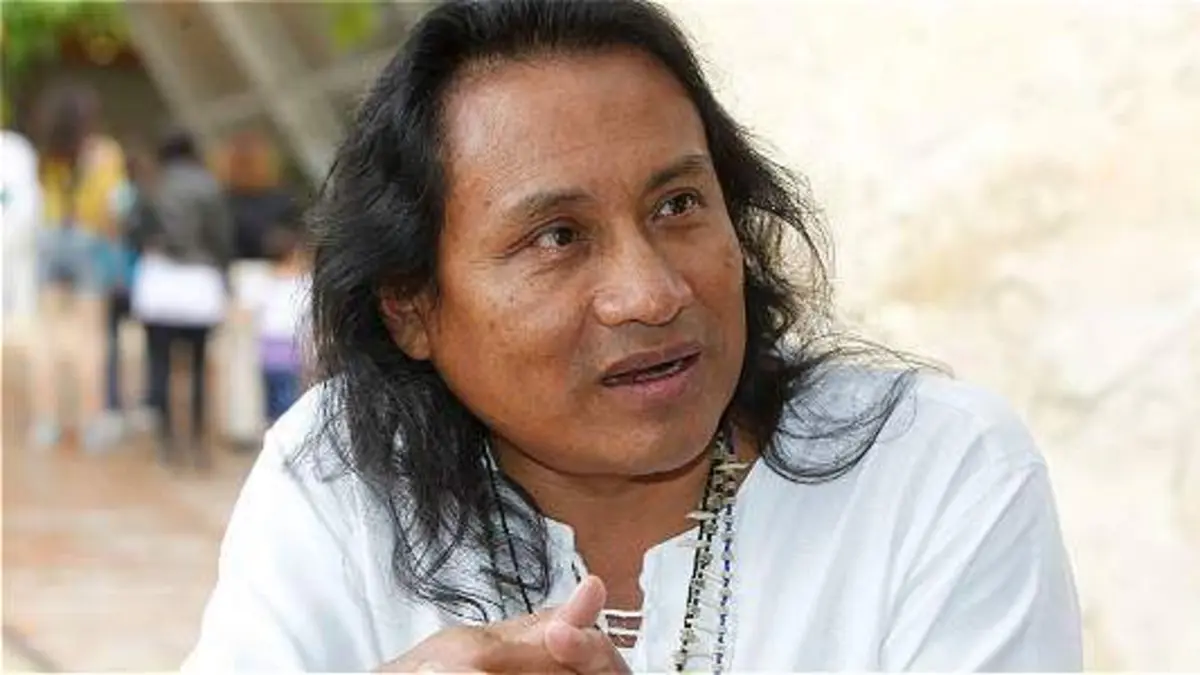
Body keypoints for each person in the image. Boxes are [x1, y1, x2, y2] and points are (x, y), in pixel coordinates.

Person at [184, 1, 1082, 672]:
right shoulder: (342, 472)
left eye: (678, 204)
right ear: (412, 305)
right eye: (557, 237)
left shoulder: (934, 471)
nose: (652, 294)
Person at [27, 83, 127, 452]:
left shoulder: (46, 154)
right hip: (89, 239)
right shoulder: (104, 153)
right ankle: (91, 424)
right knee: (91, 338)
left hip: (51, 237)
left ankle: (46, 423)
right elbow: (113, 208)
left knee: (46, 336)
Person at [130, 130, 233, 470]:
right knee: (199, 366)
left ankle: (166, 443)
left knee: (159, 364)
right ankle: (197, 443)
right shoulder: (209, 185)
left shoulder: (150, 184)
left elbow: (134, 232)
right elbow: (221, 238)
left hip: (159, 281)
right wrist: (225, 277)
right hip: (199, 284)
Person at [238, 224, 312, 428]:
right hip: (293, 347)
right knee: (288, 398)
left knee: (271, 399)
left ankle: (272, 431)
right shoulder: (305, 284)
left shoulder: (261, 282)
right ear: (294, 253)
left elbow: (244, 311)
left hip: (267, 348)